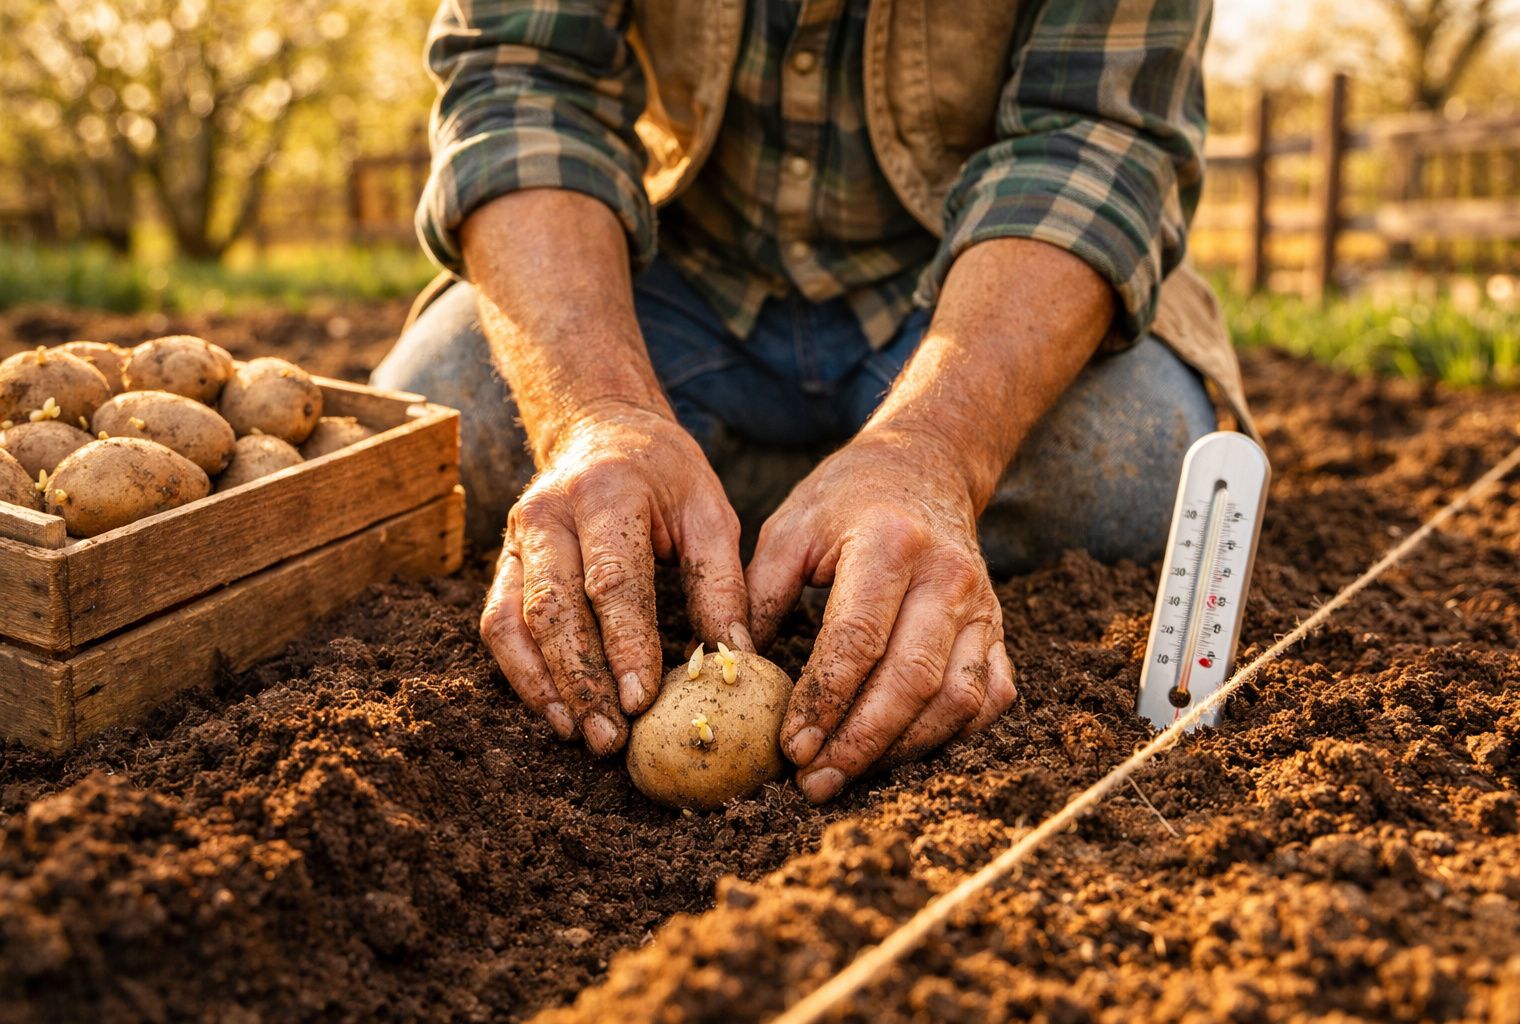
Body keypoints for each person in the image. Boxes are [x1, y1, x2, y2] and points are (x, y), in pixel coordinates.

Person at [374, 0, 1257, 803]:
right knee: (445, 426)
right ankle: (789, 507)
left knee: (1134, 471)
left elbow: (1094, 141)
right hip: (672, 271)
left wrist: (934, 451)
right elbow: (522, 83)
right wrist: (595, 414)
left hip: (970, 283)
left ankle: (834, 501)